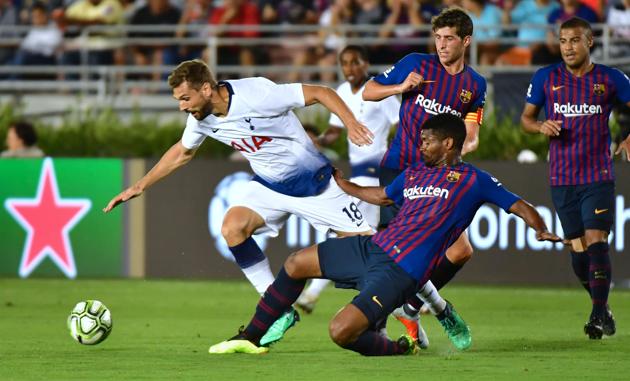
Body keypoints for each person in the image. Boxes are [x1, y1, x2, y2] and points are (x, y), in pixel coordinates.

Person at [208, 113, 561, 356]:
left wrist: (541, 228)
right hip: (371, 247)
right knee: (296, 263)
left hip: (400, 272)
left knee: (340, 332)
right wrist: (343, 184)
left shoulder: (474, 180)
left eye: (427, 141)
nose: (420, 146)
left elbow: (517, 204)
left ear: (450, 143)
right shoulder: (415, 174)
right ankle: (250, 338)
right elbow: (381, 196)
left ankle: (398, 350)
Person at [103, 59, 375, 346]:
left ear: (206, 89)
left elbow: (321, 92)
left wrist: (351, 123)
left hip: (315, 184)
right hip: (269, 187)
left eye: (185, 98)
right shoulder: (200, 119)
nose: (182, 106)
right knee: (233, 227)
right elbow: (182, 153)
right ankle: (278, 309)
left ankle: (412, 308)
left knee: (372, 253)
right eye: (178, 100)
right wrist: (138, 186)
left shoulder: (256, 93)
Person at [362, 7, 486, 330]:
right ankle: (379, 327)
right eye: (438, 38)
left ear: (466, 40)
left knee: (460, 251)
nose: (441, 45)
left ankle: (411, 307)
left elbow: (471, 135)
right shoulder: (416, 64)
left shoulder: (475, 86)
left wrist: (459, 148)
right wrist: (399, 88)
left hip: (438, 180)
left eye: (448, 38)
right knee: (397, 254)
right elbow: (369, 90)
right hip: (400, 172)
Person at [520, 17, 630, 339]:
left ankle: (597, 316)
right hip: (561, 177)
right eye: (563, 41)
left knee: (597, 241)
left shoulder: (610, 79)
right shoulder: (545, 77)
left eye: (574, 41)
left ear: (589, 42)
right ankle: (603, 308)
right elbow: (526, 119)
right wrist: (540, 126)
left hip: (597, 175)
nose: (568, 47)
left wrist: (627, 137)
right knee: (579, 250)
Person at [295, 45, 400, 313]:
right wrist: (317, 141)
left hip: (377, 171)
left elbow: (400, 126)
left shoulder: (379, 91)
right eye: (345, 63)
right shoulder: (341, 92)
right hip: (359, 173)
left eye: (355, 62)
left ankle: (312, 294)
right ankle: (410, 298)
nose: (350, 68)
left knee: (352, 232)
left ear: (366, 63)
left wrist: (394, 160)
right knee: (365, 236)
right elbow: (334, 130)